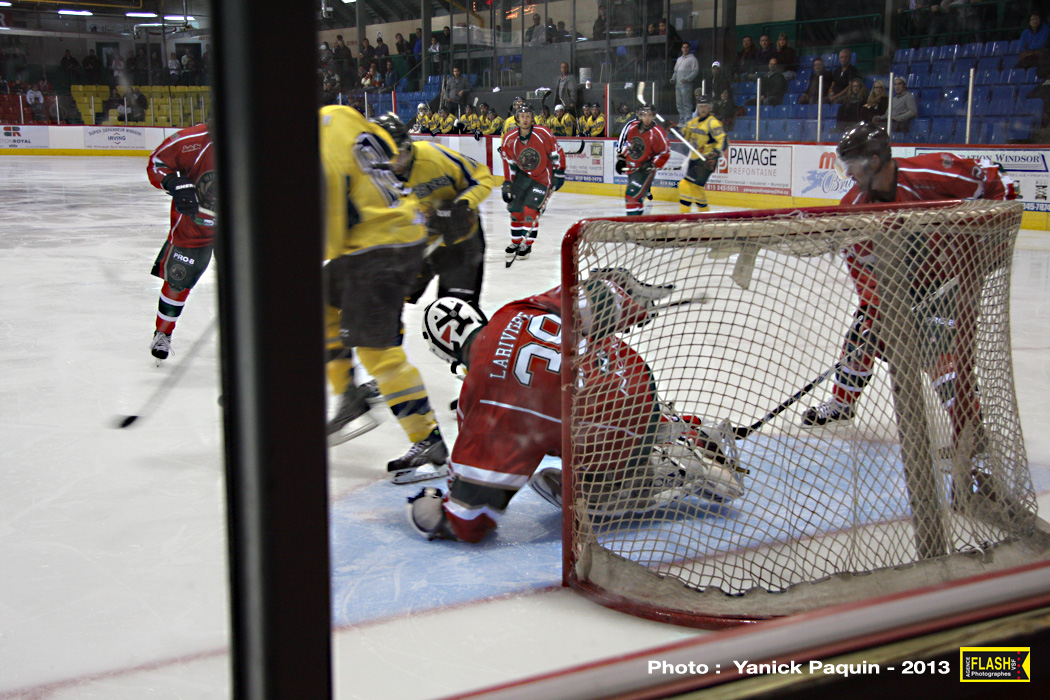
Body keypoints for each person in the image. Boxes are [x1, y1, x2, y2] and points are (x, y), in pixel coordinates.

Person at [407, 271, 744, 542]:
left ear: (447, 356)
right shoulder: (514, 310)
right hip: (634, 377)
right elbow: (602, 292)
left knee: (583, 494)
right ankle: (675, 427)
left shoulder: (480, 398)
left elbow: (470, 520)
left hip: (610, 434)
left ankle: (658, 471)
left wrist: (428, 508)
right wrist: (635, 303)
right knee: (587, 391)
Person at [801, 124, 1017, 441]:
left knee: (939, 351)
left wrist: (989, 246)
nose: (848, 175)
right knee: (861, 336)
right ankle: (841, 404)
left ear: (875, 161)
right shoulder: (854, 210)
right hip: (904, 285)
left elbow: (997, 181)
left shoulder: (935, 172)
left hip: (953, 277)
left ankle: (968, 423)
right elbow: (864, 272)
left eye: (852, 166)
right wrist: (877, 312)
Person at [319, 104, 449, 482]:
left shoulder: (320, 157)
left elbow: (332, 240)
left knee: (377, 351)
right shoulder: (337, 113)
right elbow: (385, 150)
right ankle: (349, 395)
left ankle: (429, 442)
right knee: (324, 303)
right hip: (399, 229)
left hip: (378, 249)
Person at [372, 113, 495, 307]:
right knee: (386, 306)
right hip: (417, 247)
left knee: (455, 314)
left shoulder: (433, 156)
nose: (397, 163)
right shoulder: (374, 180)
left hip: (461, 245)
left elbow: (482, 176)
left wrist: (463, 204)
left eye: (401, 152)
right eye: (389, 156)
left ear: (409, 145)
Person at [145, 122, 216, 363]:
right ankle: (162, 333)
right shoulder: (191, 140)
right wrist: (174, 183)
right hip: (193, 226)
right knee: (177, 280)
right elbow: (157, 162)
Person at [500, 103, 566, 263]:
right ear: (517, 118)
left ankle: (526, 244)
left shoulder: (543, 133)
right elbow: (509, 162)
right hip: (522, 177)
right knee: (515, 210)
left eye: (528, 116)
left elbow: (557, 152)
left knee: (530, 211)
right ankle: (515, 242)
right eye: (522, 116)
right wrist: (508, 182)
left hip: (542, 177)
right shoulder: (509, 138)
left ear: (532, 118)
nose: (525, 119)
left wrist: (559, 172)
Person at [615, 103, 670, 215]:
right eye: (644, 115)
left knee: (631, 196)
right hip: (632, 169)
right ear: (640, 115)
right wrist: (622, 159)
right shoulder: (633, 127)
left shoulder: (657, 132)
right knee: (636, 200)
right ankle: (637, 225)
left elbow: (664, 153)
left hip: (645, 171)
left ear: (654, 116)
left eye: (649, 115)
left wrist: (652, 164)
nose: (646, 118)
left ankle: (631, 226)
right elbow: (631, 146)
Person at [678, 96, 725, 213]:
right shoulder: (692, 123)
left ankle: (684, 215)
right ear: (697, 108)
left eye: (705, 106)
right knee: (696, 189)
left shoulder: (713, 123)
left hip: (706, 160)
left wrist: (715, 153)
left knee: (684, 184)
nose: (703, 109)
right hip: (694, 159)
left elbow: (722, 140)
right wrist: (672, 128)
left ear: (709, 107)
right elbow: (684, 136)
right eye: (701, 106)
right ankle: (705, 214)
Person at [672, 42, 699, 124]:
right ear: (681, 49)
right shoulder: (679, 59)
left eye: (687, 47)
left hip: (686, 85)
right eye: (683, 47)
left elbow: (695, 71)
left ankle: (688, 121)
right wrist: (673, 78)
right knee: (679, 104)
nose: (685, 49)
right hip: (678, 85)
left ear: (689, 48)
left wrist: (687, 79)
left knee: (686, 104)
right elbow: (675, 71)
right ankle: (681, 120)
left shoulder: (692, 59)